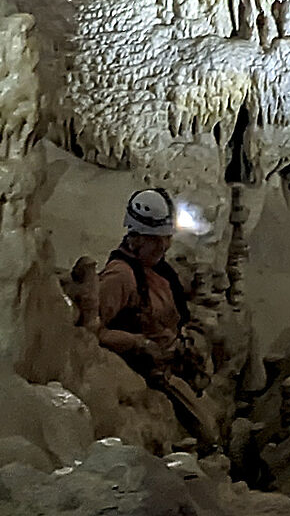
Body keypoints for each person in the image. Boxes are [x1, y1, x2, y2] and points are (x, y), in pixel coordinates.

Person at [93, 186, 217, 445]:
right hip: (151, 371)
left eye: (167, 238)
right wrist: (139, 343)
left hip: (173, 359)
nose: (164, 246)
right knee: (207, 434)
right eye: (156, 239)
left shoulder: (159, 270)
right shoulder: (121, 276)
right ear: (137, 237)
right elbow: (95, 331)